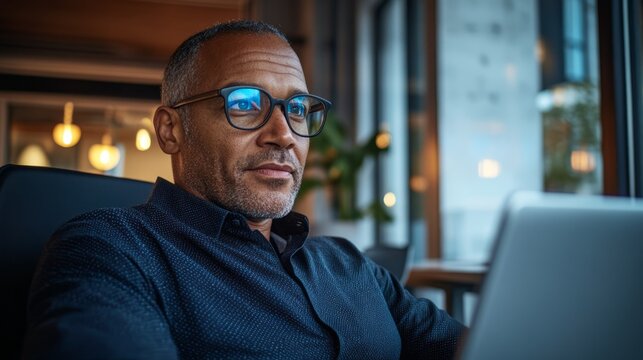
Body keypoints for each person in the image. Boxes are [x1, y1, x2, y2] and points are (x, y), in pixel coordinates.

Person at [23, 20, 464, 359]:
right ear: (171, 130)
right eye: (245, 104)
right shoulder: (111, 249)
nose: (284, 134)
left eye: (297, 109)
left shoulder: (348, 263)